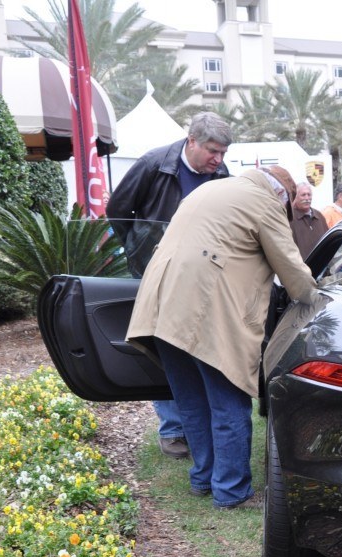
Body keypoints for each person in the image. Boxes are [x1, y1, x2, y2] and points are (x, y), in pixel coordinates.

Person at [125, 166, 320, 509]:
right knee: (228, 399)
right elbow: (292, 269)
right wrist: (320, 300)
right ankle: (231, 491)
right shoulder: (264, 201)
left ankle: (204, 478)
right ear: (280, 195)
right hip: (206, 309)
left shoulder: (209, 191)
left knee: (193, 400)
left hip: (160, 305)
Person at [107, 111, 233, 460]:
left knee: (195, 347)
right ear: (191, 141)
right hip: (155, 274)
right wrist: (141, 250)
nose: (218, 160)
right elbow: (118, 210)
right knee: (163, 349)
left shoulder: (221, 174)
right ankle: (173, 429)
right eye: (212, 150)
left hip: (202, 279)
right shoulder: (154, 164)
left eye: (223, 153)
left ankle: (196, 425)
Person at [290, 181, 329, 259]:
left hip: (323, 266)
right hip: (302, 268)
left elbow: (328, 241)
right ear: (295, 197)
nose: (307, 198)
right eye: (303, 195)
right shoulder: (290, 218)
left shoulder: (319, 216)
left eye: (309, 194)